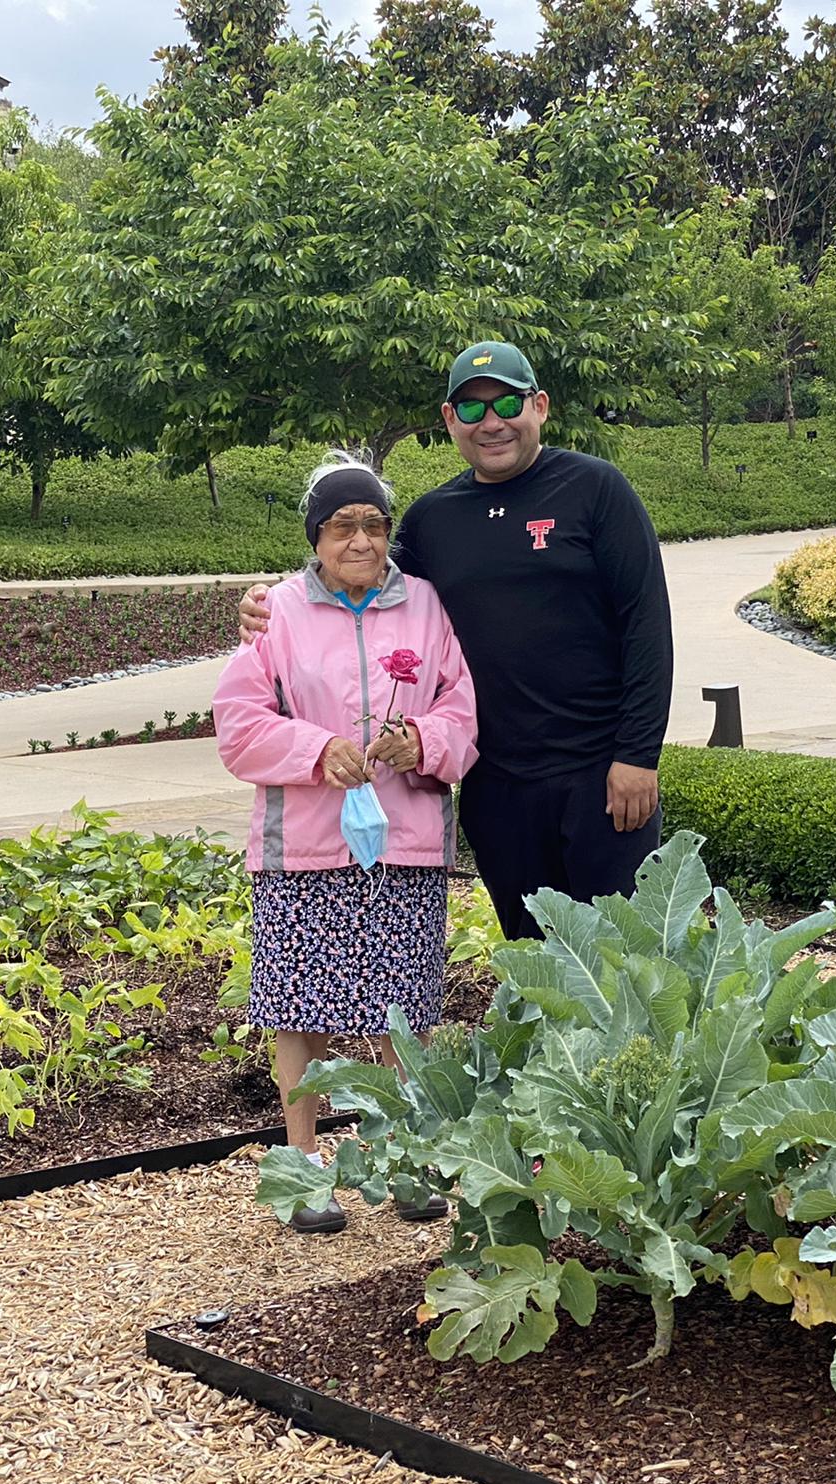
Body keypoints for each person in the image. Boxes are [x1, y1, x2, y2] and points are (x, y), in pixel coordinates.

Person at [239, 341, 672, 942]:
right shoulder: (433, 518)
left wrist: (637, 757)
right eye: (471, 410)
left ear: (539, 406)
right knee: (538, 961)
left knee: (628, 961)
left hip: (600, 775)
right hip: (497, 786)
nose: (491, 423)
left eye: (507, 404)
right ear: (450, 420)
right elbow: (358, 579)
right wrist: (268, 602)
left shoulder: (596, 490)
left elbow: (647, 627)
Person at [213, 453, 478, 1234]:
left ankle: (406, 1161)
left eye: (373, 524)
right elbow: (239, 724)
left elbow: (463, 709)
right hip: (304, 842)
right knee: (298, 1008)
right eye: (340, 526)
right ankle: (303, 1171)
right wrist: (313, 750)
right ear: (315, 538)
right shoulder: (279, 613)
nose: (359, 540)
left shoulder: (426, 606)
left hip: (405, 839)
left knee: (406, 1008)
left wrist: (422, 739)